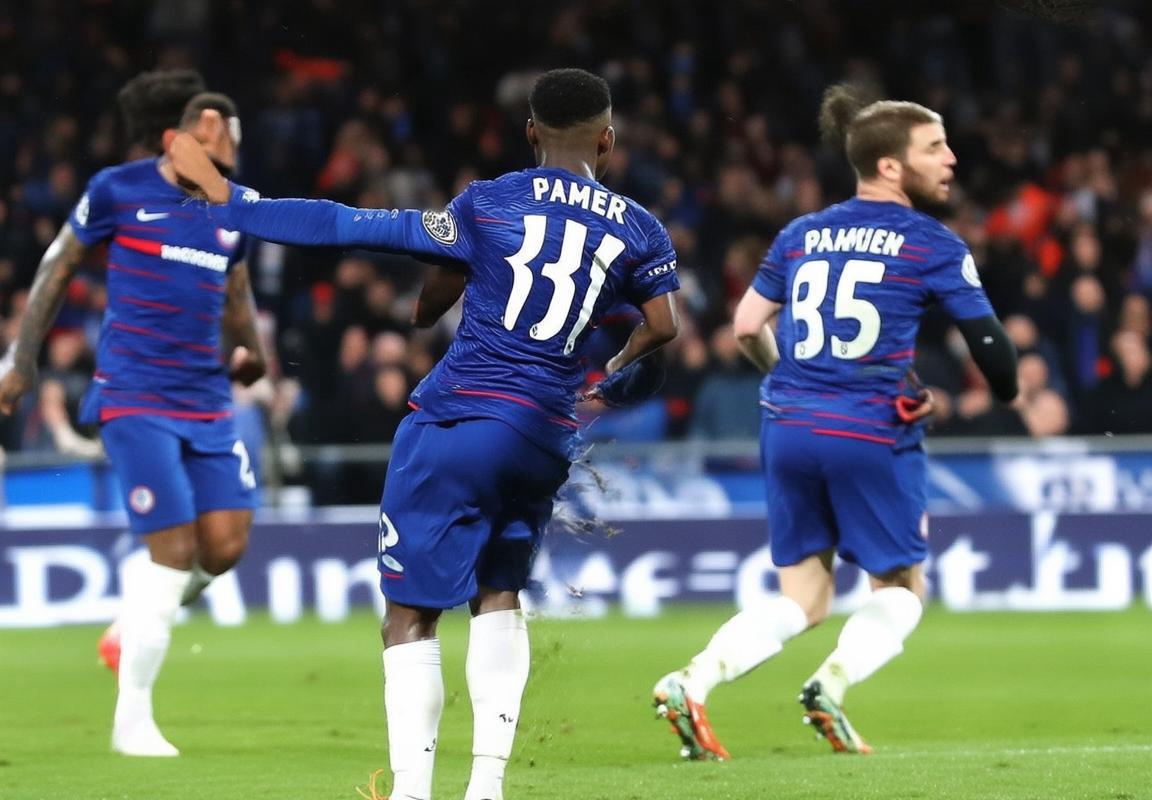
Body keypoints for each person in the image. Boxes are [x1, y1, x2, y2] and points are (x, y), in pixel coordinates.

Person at [167, 67, 680, 800]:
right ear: (607, 139)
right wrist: (615, 375)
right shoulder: (639, 227)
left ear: (530, 132)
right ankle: (486, 789)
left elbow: (351, 224)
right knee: (499, 594)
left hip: (461, 419)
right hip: (543, 436)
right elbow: (663, 328)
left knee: (409, 616)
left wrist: (236, 202)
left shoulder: (489, 201)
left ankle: (412, 793)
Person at [651, 83, 1019, 760]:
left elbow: (745, 326)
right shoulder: (930, 241)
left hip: (788, 425)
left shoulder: (801, 233)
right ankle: (831, 684)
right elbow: (993, 351)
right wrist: (1004, 388)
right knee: (901, 587)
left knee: (804, 598)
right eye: (935, 147)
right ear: (890, 165)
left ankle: (691, 680)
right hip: (871, 429)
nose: (951, 159)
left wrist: (792, 379)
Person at [0, 89, 266, 758]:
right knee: (172, 551)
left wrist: (253, 350)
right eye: (229, 135)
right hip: (135, 394)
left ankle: (132, 623)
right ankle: (133, 722)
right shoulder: (118, 190)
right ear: (203, 129)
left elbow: (235, 287)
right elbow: (58, 264)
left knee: (224, 546)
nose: (234, 150)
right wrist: (21, 359)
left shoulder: (233, 207)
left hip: (207, 397)